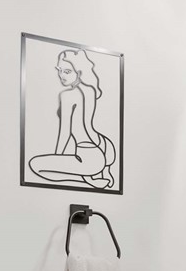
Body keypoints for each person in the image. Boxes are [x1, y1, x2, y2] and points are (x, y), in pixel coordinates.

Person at [25, 47, 117, 189]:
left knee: (35, 165)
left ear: (79, 72)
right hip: (104, 146)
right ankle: (93, 176)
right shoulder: (91, 90)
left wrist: (58, 157)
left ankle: (87, 180)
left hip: (88, 154)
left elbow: (65, 132)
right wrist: (107, 169)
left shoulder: (67, 95)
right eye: (59, 70)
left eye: (67, 71)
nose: (61, 75)